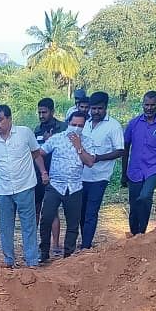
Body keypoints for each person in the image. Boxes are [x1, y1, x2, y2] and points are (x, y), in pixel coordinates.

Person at [0, 105, 46, 269]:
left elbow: (36, 153)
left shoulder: (24, 133)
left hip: (25, 187)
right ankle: (9, 261)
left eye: (0, 120)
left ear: (9, 119)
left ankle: (32, 262)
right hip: (4, 190)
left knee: (28, 225)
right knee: (5, 228)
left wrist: (43, 172)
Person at [39, 111, 96, 262]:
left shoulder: (88, 141)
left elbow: (90, 162)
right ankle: (44, 253)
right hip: (55, 185)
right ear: (68, 123)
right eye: (73, 124)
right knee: (46, 219)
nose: (76, 128)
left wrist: (79, 147)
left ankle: (68, 256)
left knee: (73, 223)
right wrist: (43, 172)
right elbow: (40, 153)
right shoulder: (57, 139)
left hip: (75, 187)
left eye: (80, 126)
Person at [122, 91, 156, 236]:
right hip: (135, 168)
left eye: (153, 105)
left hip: (154, 167)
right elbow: (125, 147)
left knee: (145, 196)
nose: (149, 108)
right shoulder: (134, 123)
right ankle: (134, 232)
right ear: (142, 105)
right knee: (134, 202)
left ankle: (142, 231)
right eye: (146, 105)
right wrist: (123, 173)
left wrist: (155, 157)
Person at [79, 91, 125, 250]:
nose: (96, 112)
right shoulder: (85, 123)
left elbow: (120, 150)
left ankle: (86, 246)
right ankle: (84, 241)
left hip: (100, 176)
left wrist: (98, 158)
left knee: (91, 212)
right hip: (82, 175)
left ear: (106, 107)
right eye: (93, 108)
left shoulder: (114, 126)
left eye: (100, 108)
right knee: (81, 212)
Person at [34, 98, 65, 256]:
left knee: (52, 211)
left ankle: (56, 245)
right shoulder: (36, 131)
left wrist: (50, 142)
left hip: (55, 175)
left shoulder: (63, 129)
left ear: (52, 112)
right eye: (39, 112)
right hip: (38, 176)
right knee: (37, 209)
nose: (41, 115)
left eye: (44, 112)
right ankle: (36, 243)